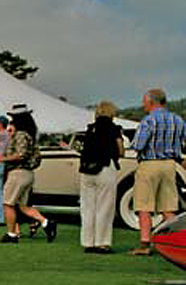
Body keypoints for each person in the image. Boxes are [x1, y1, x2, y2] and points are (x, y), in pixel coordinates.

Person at [128, 88, 186, 255]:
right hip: (169, 164)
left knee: (144, 205)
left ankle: (145, 244)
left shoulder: (148, 121)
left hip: (149, 164)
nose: (143, 105)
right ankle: (176, 243)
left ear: (151, 102)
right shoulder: (178, 120)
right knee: (168, 207)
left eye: (144, 101)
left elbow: (138, 145)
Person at [0, 104, 57, 243]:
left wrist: (2, 158)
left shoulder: (21, 135)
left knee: (8, 203)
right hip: (27, 174)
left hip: (18, 173)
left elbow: (21, 155)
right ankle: (46, 223)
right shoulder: (29, 133)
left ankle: (11, 234)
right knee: (23, 206)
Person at [79, 101, 124, 253]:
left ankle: (88, 242)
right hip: (105, 167)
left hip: (87, 170)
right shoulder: (114, 129)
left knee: (87, 207)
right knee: (104, 207)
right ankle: (102, 242)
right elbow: (121, 151)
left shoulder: (90, 128)